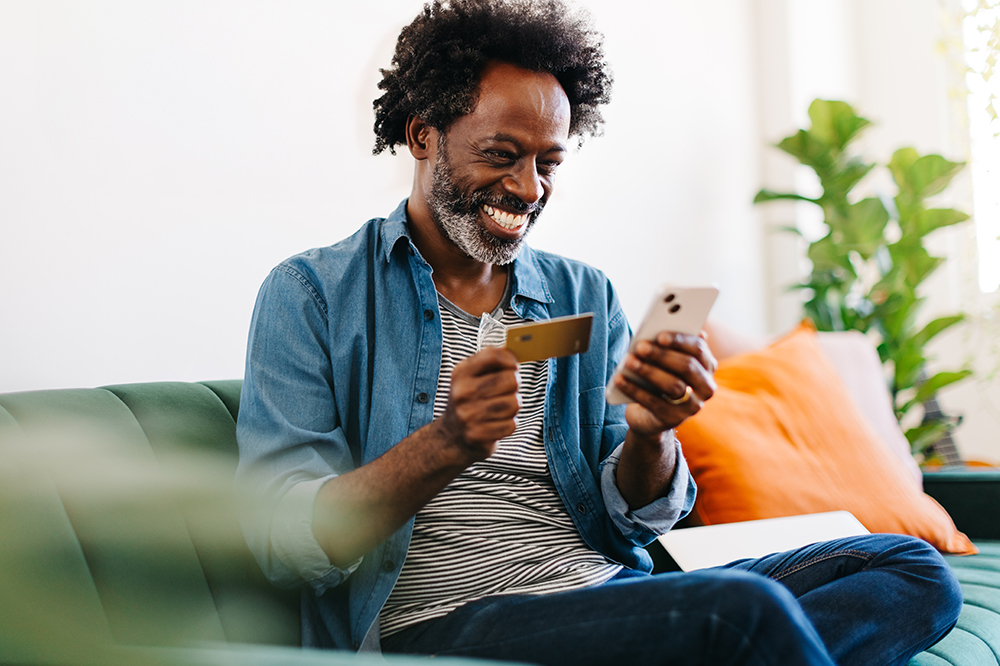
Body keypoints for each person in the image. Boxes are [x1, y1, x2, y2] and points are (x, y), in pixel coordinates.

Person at [235, 1, 962, 664]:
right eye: (500, 154)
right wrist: (445, 444)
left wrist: (650, 433)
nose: (528, 188)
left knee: (911, 570)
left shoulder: (580, 293)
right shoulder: (312, 294)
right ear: (423, 134)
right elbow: (282, 540)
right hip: (447, 621)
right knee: (738, 615)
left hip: (609, 591)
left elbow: (631, 518)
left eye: (548, 162)